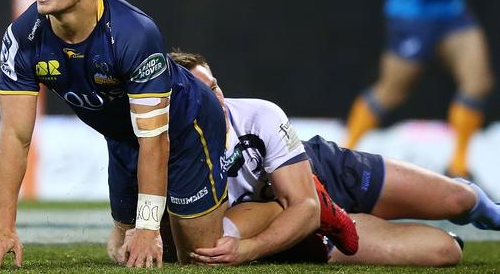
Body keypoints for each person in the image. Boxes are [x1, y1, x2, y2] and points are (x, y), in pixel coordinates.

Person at [0, 0, 322, 268]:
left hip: (185, 128)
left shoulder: (132, 34)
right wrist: (3, 228)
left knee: (199, 257)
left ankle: (281, 207)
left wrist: (148, 225)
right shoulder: (21, 39)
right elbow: (15, 137)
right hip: (124, 138)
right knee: (127, 253)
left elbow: (156, 138)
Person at [168, 51, 500, 266]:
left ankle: (491, 212)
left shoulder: (259, 115)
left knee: (456, 199)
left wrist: (249, 250)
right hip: (296, 223)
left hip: (321, 171)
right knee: (446, 252)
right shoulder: (167, 146)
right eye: (204, 94)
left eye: (216, 87)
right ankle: (328, 218)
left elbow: (304, 205)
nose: (218, 101)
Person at [343, 0, 498, 179]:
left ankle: (458, 166)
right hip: (413, 12)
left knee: (478, 81)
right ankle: (341, 157)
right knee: (392, 90)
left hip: (452, 9)